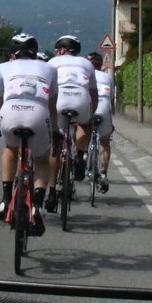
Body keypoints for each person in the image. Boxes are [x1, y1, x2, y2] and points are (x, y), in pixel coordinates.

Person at [0, 32, 55, 236]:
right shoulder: (49, 67)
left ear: (12, 54)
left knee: (10, 148)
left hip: (10, 111)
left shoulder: (3, 67)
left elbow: (0, 100)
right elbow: (52, 105)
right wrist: (55, 130)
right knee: (42, 159)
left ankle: (5, 199)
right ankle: (37, 205)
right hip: (38, 113)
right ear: (35, 52)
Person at [46, 35, 97, 202]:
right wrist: (90, 115)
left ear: (61, 50)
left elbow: (45, 90)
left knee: (56, 144)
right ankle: (80, 155)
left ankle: (52, 191)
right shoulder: (86, 63)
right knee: (86, 125)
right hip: (80, 99)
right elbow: (94, 94)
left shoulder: (52, 62)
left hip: (59, 100)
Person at [87, 50, 115, 193]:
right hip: (104, 109)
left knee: (80, 133)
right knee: (104, 142)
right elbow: (111, 99)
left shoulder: (85, 76)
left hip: (90, 109)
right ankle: (103, 173)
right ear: (100, 65)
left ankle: (82, 156)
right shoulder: (107, 77)